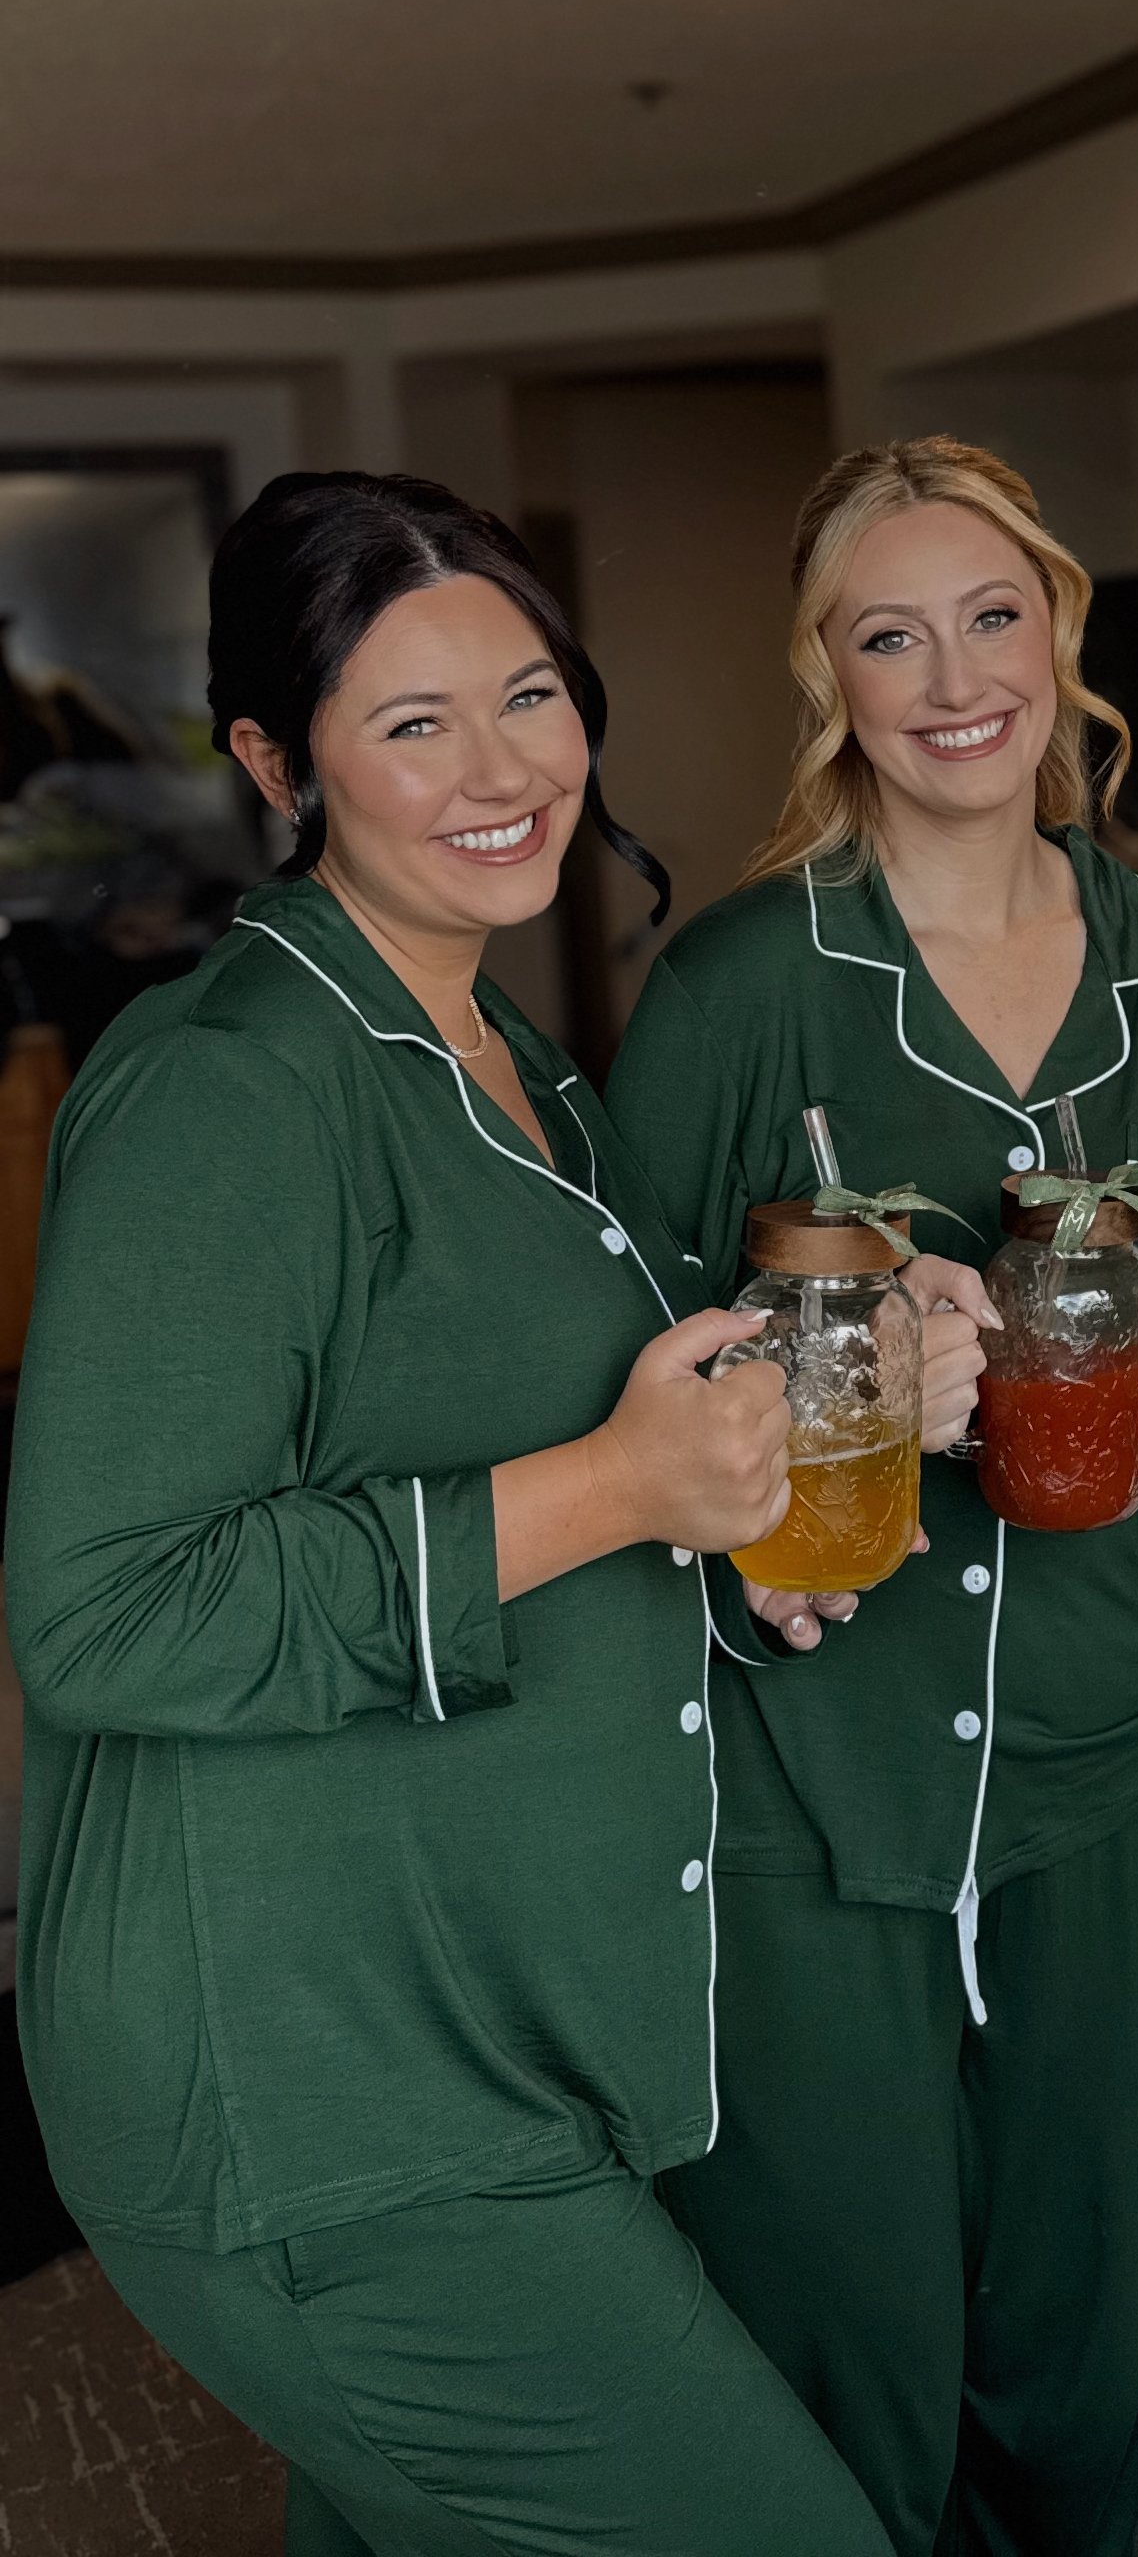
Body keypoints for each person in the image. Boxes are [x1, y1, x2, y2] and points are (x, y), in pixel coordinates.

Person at [5, 472, 897, 2557]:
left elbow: (545, 1451)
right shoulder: (225, 1086)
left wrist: (753, 1465)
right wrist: (613, 1484)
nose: (505, 770)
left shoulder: (512, 1061)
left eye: (527, 693)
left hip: (488, 2015)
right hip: (315, 2089)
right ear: (271, 762)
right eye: (413, 723)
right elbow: (108, 1610)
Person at [603, 437, 1138, 2557]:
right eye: (889, 633)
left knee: (1080, 2364)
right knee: (846, 2366)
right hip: (814, 1779)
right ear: (831, 677)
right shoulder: (736, 990)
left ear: (1063, 634)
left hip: (1120, 1760)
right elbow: (615, 1398)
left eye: (994, 614)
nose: (954, 673)